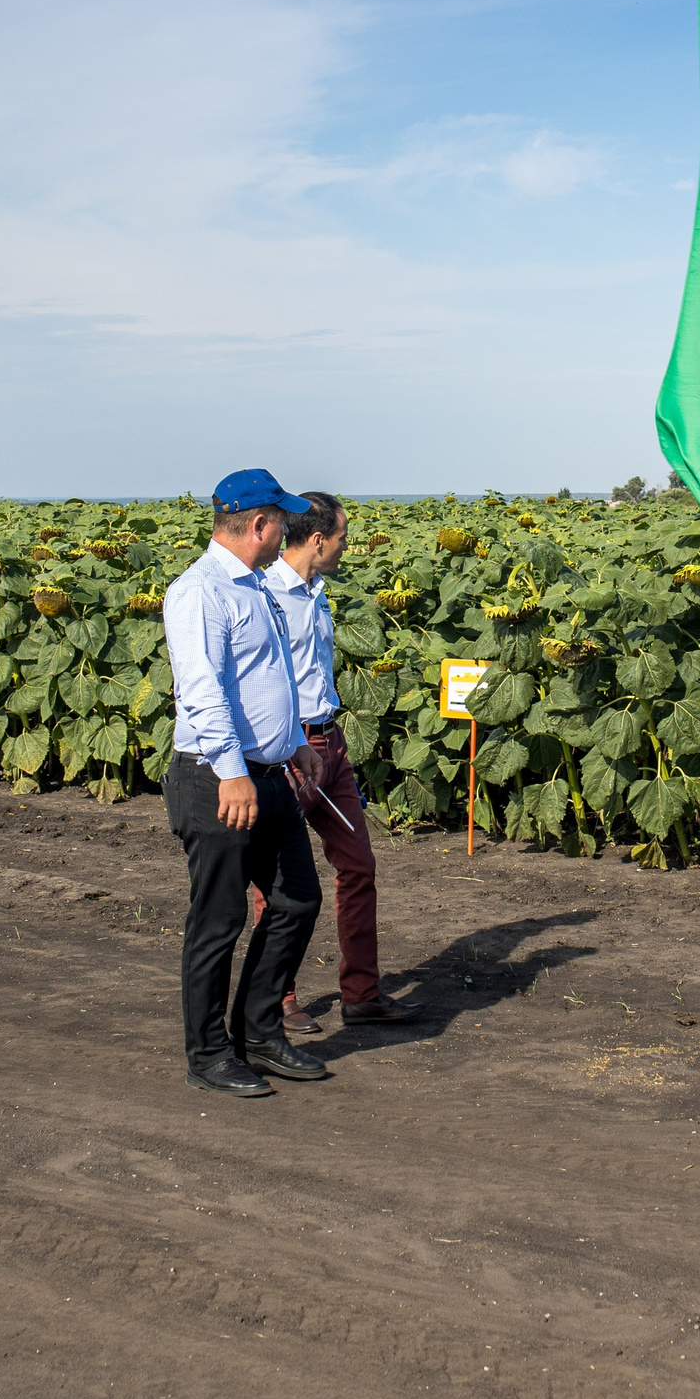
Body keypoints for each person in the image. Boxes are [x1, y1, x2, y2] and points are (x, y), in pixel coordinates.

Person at [161, 469, 331, 1098]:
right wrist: (233, 774)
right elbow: (202, 694)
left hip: (269, 771)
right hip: (216, 779)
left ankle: (258, 1033)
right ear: (259, 524)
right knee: (219, 919)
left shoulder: (255, 587)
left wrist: (292, 747)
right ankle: (208, 1053)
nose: (289, 529)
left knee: (296, 901)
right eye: (282, 520)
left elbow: (265, 681)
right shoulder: (200, 592)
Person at [264, 491, 423, 1031]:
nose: (345, 548)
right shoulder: (267, 596)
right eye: (342, 538)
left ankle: (361, 993)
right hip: (290, 749)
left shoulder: (318, 591)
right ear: (316, 540)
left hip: (331, 744)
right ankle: (277, 998)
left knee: (358, 867)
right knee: (277, 882)